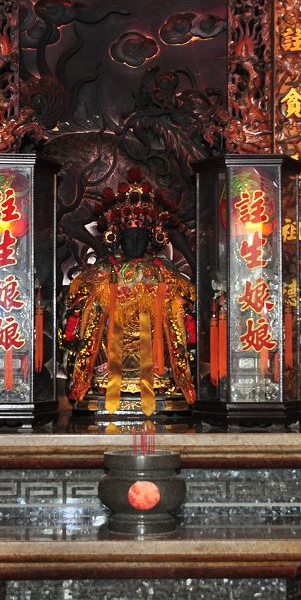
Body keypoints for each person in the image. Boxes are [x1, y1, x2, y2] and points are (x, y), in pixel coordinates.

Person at [61, 170, 196, 420]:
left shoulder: (163, 271)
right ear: (119, 237)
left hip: (155, 355)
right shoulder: (104, 270)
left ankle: (161, 375)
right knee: (92, 306)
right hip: (110, 354)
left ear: (150, 238)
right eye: (129, 236)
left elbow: (185, 306)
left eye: (140, 236)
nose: (134, 242)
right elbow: (79, 307)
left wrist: (173, 302)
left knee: (176, 306)